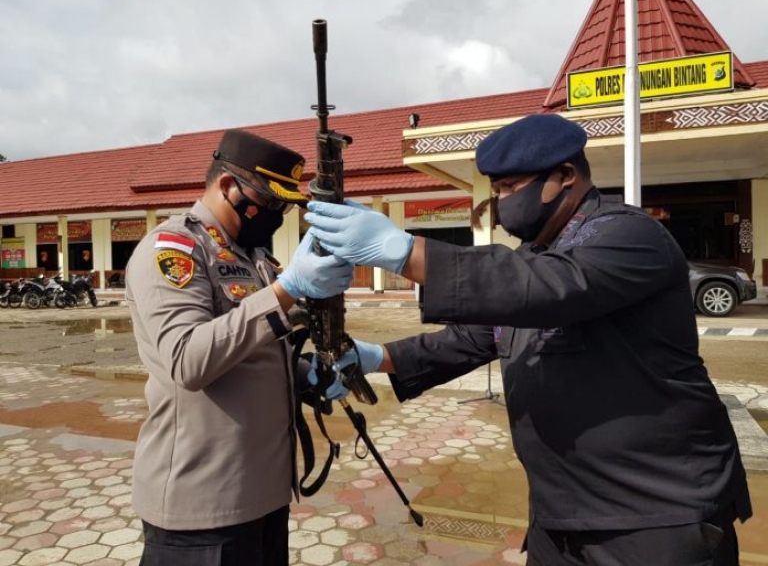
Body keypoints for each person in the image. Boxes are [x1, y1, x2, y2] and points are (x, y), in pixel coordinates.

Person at [305, 114, 752, 566]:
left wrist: (406, 252)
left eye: (509, 188)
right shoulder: (538, 253)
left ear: (566, 176)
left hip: (655, 514)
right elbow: (475, 337)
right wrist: (373, 358)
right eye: (496, 190)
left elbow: (548, 286)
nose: (501, 203)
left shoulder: (628, 233)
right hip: (563, 514)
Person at [125, 129, 353, 566]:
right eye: (270, 202)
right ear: (228, 186)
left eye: (285, 205)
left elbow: (253, 349)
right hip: (203, 507)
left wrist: (307, 372)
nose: (277, 214)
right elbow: (187, 358)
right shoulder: (176, 249)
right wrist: (285, 292)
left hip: (263, 496)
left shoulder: (254, 257)